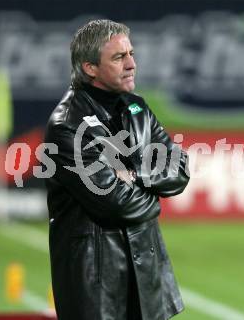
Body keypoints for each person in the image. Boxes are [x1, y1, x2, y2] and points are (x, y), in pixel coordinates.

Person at [45, 19, 190, 320]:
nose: (132, 64)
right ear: (90, 67)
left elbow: (179, 167)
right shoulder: (67, 125)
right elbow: (116, 203)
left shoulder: (137, 108)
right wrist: (154, 195)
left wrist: (136, 176)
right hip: (96, 284)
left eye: (131, 54)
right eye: (119, 57)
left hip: (146, 275)